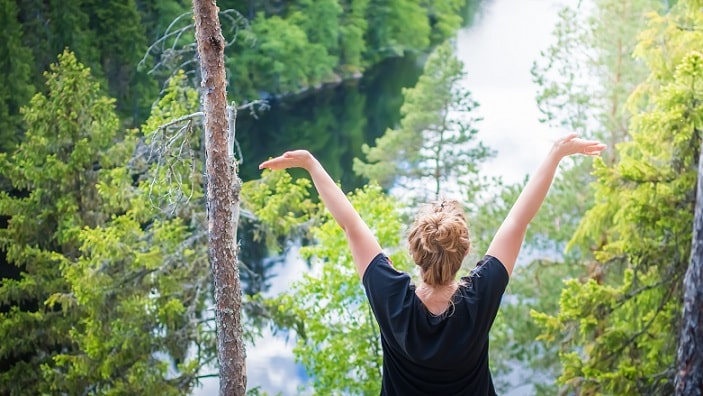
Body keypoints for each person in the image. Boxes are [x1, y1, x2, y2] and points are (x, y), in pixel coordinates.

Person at [259, 133, 606, 395]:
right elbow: (518, 221)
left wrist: (311, 165)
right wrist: (556, 154)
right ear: (465, 253)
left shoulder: (392, 299)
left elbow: (350, 225)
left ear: (414, 254)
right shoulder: (478, 300)